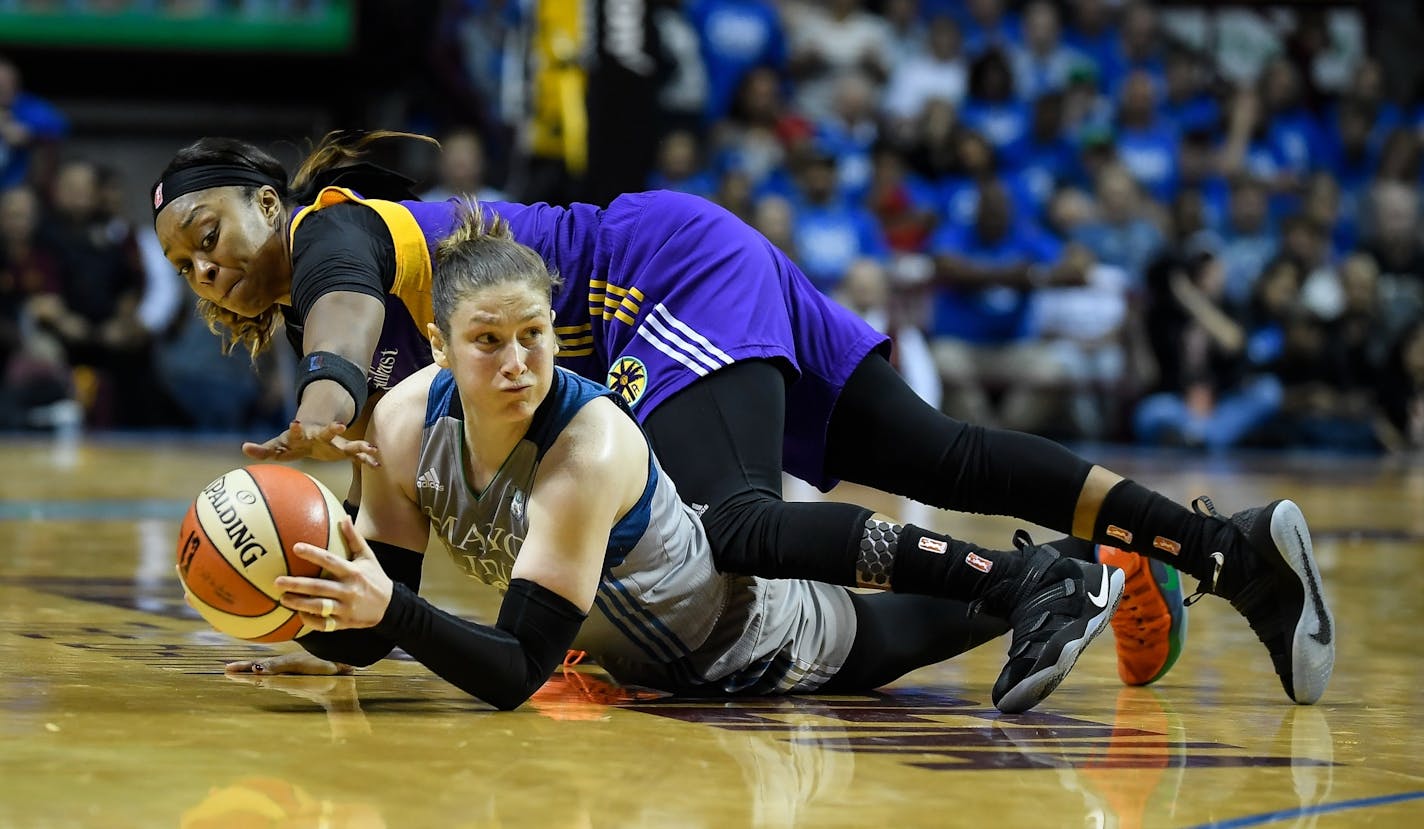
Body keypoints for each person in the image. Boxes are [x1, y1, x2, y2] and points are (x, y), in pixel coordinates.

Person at [151, 130, 1336, 704]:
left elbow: (340, 292)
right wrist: (315, 619)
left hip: (650, 277)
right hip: (693, 260)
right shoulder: (399, 378)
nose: (209, 274)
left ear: (272, 202)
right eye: (186, 270)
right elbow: (388, 585)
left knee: (724, 520)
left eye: (213, 237)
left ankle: (1027, 585)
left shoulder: (337, 235)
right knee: (938, 452)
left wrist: (324, 396)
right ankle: (1219, 552)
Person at [215, 203, 1125, 713]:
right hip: (635, 653)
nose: (518, 360)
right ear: (438, 347)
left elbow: (511, 670)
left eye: (535, 334)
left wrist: (391, 611)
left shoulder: (588, 441)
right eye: (487, 340)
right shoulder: (405, 424)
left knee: (927, 622)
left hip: (748, 642)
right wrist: (319, 627)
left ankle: (1071, 567)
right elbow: (381, 610)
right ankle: (1086, 569)